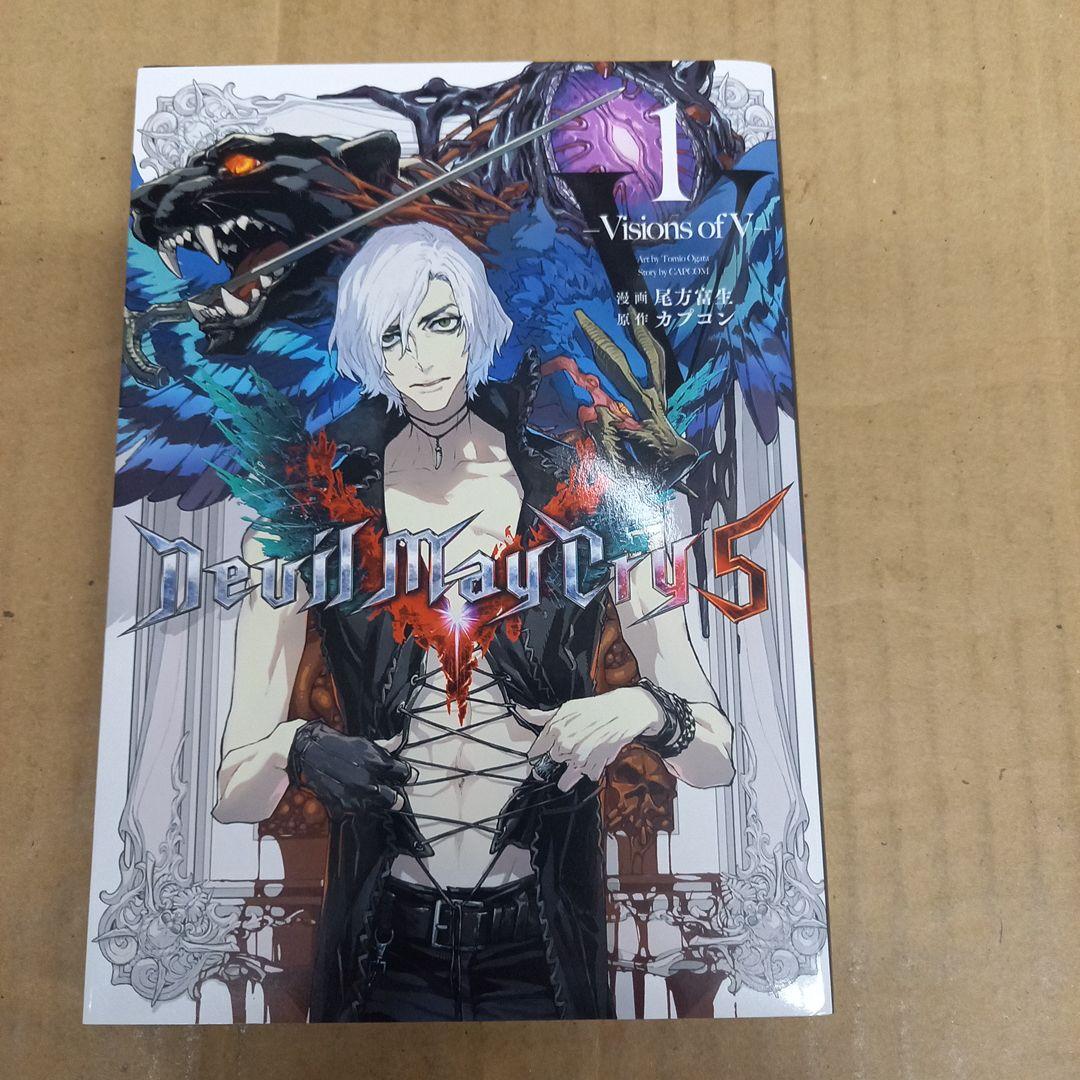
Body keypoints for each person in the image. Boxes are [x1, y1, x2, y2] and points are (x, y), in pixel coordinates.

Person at [212, 222, 734, 1022]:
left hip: (545, 941)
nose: (420, 356)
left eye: (439, 322)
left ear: (478, 322)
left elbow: (715, 757)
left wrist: (640, 710)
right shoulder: (306, 513)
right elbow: (234, 795)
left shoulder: (592, 497)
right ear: (366, 349)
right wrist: (298, 747)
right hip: (382, 942)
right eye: (392, 335)